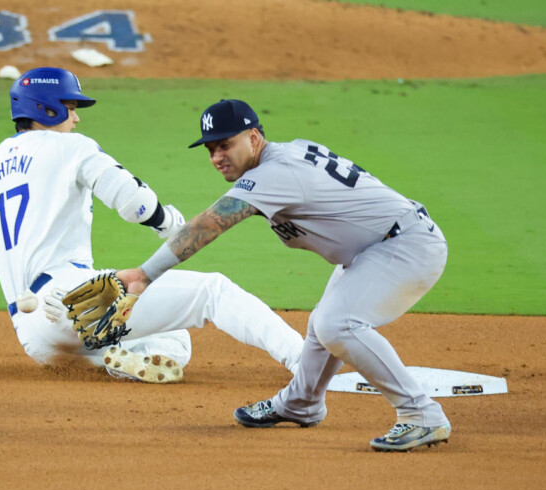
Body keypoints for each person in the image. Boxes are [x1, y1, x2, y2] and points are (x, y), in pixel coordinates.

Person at [117, 99, 451, 450]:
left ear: (254, 136)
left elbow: (209, 224)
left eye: (226, 144)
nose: (217, 156)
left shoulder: (275, 173)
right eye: (211, 148)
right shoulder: (286, 156)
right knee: (322, 326)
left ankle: (421, 414)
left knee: (338, 324)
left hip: (404, 245)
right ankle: (300, 403)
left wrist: (145, 275)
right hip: (378, 245)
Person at [0, 69, 304, 384]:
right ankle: (307, 363)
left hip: (37, 339)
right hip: (74, 301)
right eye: (70, 107)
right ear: (45, 109)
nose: (76, 118)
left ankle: (117, 361)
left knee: (174, 337)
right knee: (213, 291)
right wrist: (169, 223)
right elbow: (134, 202)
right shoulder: (71, 147)